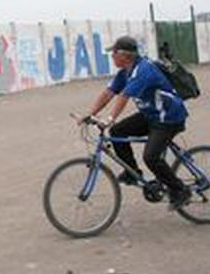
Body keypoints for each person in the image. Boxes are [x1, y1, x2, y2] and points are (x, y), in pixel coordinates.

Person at [79, 35, 192, 210]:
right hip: (152, 115)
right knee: (117, 131)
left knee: (151, 157)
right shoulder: (125, 72)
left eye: (113, 53)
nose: (111, 56)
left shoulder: (143, 70)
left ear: (123, 55)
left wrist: (109, 119)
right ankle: (132, 173)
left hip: (168, 117)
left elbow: (124, 96)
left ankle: (180, 190)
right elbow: (109, 93)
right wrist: (90, 114)